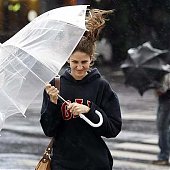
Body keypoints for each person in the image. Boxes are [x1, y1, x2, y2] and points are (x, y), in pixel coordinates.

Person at [40, 9, 122, 170]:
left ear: (91, 59)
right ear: (68, 59)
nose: (79, 67)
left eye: (84, 62)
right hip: (63, 163)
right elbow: (49, 130)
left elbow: (113, 128)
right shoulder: (55, 85)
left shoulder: (101, 86)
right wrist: (53, 103)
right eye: (74, 62)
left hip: (95, 162)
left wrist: (89, 110)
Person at [152, 73, 170, 166]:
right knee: (165, 129)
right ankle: (164, 155)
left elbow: (163, 89)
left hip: (166, 100)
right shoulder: (162, 67)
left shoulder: (166, 68)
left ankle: (164, 156)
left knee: (163, 128)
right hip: (164, 100)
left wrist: (157, 87)